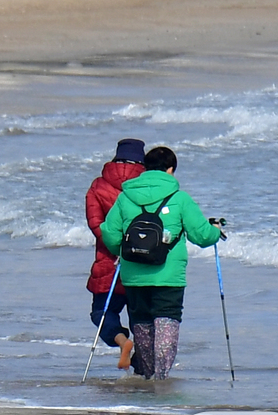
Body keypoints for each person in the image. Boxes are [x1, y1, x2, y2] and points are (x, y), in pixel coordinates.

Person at [101, 146, 225, 380]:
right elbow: (201, 235)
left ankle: (148, 378)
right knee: (166, 323)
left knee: (142, 326)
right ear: (170, 170)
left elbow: (109, 233)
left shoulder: (125, 197)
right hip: (168, 276)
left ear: (145, 168)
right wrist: (216, 232)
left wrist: (124, 250)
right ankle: (160, 379)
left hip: (134, 276)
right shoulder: (179, 198)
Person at [85, 139, 146, 371]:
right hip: (143, 262)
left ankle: (122, 341)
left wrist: (117, 245)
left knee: (102, 312)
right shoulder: (146, 184)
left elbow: (96, 225)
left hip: (109, 262)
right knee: (140, 317)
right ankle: (143, 369)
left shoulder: (98, 186)